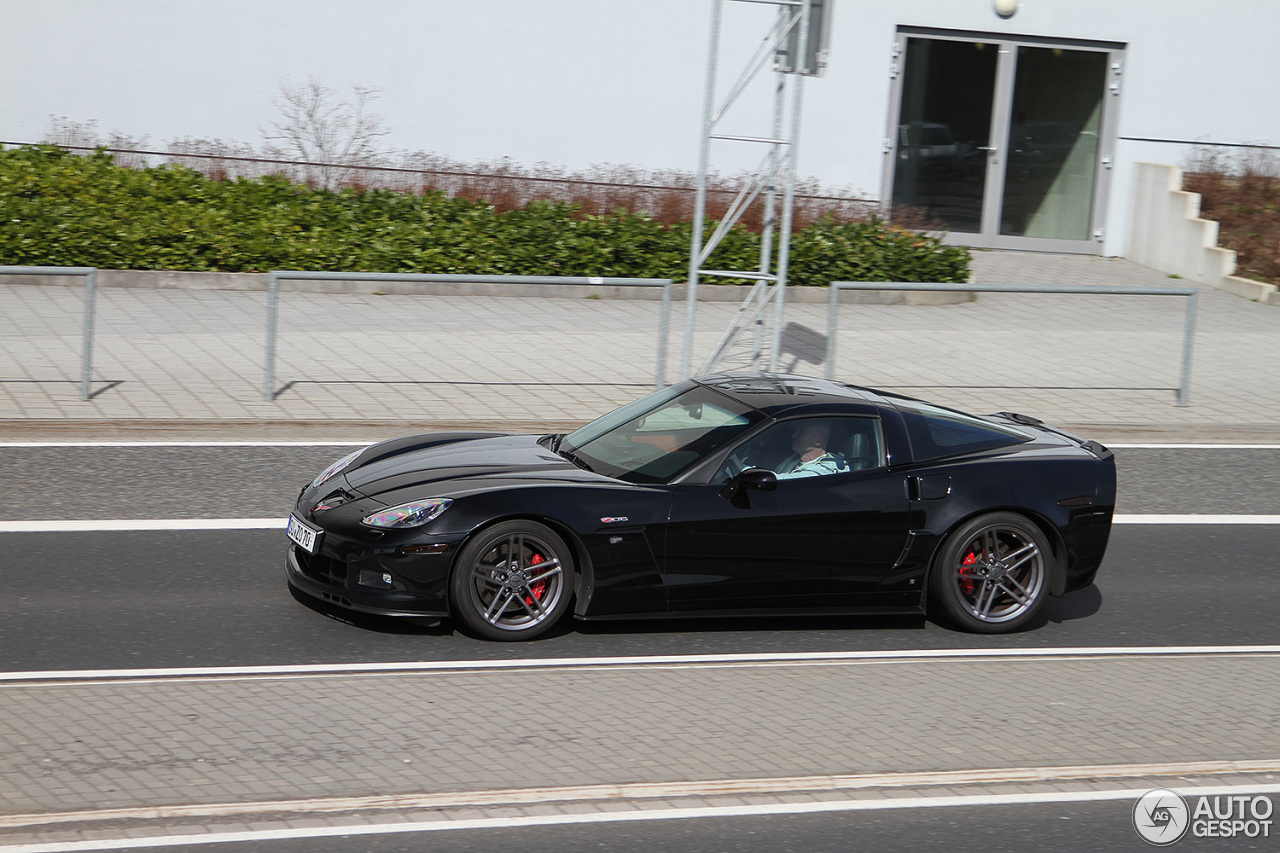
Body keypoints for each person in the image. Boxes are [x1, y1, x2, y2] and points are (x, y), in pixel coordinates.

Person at [775, 420, 848, 479]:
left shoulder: (827, 468)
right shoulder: (793, 459)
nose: (794, 435)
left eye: (801, 433)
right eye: (795, 431)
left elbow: (792, 483)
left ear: (818, 441)